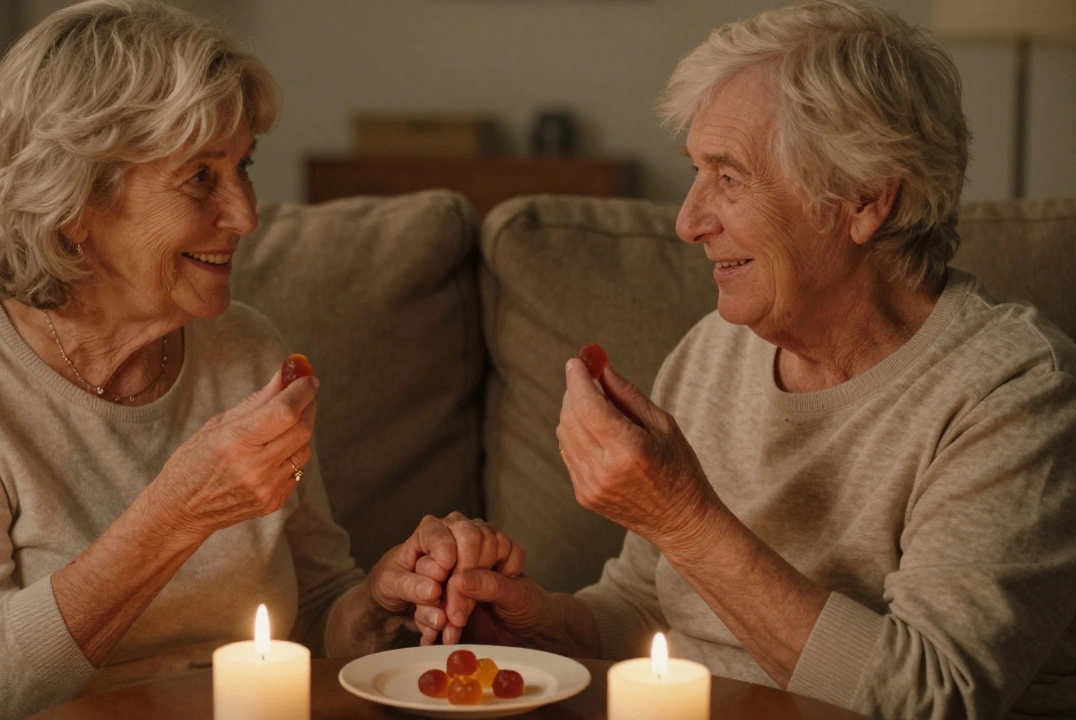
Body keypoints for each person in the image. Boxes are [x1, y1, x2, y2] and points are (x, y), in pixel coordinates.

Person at [0, 2, 521, 718]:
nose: (246, 214)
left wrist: (383, 603)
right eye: (200, 178)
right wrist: (175, 516)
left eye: (243, 166)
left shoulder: (246, 352)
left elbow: (310, 610)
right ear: (72, 202)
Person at [417, 2, 1076, 718]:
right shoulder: (714, 349)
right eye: (695, 171)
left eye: (729, 178)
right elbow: (649, 605)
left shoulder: (1014, 392)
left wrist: (684, 519)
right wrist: (535, 626)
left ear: (865, 200)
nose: (688, 220)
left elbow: (934, 698)